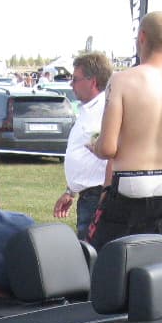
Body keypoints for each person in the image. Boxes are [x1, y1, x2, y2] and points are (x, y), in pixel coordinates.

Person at [89, 11, 162, 258]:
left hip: (130, 184)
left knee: (109, 267)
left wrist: (93, 145)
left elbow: (108, 148)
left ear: (142, 37)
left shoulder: (122, 80)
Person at [53, 51, 112, 239]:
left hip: (98, 196)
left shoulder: (104, 110)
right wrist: (71, 190)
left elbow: (109, 154)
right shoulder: (89, 110)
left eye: (75, 79)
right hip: (88, 196)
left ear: (92, 81)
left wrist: (103, 196)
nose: (71, 84)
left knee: (92, 256)